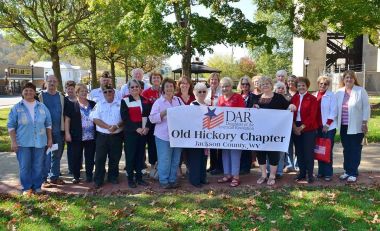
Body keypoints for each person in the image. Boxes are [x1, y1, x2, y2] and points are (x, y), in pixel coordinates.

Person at [8, 83, 52, 194]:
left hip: (40, 142)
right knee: (25, 166)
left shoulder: (42, 107)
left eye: (31, 90)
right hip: (22, 143)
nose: (28, 92)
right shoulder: (17, 108)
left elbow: (48, 124)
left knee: (38, 165)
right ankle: (27, 188)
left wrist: (50, 139)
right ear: (22, 92)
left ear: (34, 92)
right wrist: (13, 142)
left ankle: (37, 186)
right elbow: (11, 126)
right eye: (26, 90)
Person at [249, 76, 291, 185]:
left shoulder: (279, 97)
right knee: (261, 154)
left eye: (267, 83)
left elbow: (288, 106)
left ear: (271, 85)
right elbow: (249, 113)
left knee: (273, 154)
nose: (265, 86)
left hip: (275, 133)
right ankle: (263, 175)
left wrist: (292, 106)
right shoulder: (256, 98)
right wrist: (254, 108)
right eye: (263, 84)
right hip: (259, 133)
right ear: (260, 87)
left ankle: (272, 176)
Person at [336, 70, 370, 183]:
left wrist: (365, 122)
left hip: (357, 126)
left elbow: (366, 107)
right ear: (343, 79)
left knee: (355, 149)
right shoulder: (339, 92)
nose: (349, 79)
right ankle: (347, 171)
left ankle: (353, 172)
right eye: (346, 77)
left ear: (354, 79)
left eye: (351, 77)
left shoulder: (360, 91)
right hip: (344, 126)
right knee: (347, 149)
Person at [149, 78, 183, 189]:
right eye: (167, 86)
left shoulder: (178, 100)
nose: (169, 88)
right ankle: (163, 180)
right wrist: (164, 113)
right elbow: (152, 119)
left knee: (175, 159)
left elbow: (186, 112)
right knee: (165, 159)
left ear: (174, 88)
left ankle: (172, 179)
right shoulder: (158, 102)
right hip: (163, 136)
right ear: (163, 88)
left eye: (171, 86)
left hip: (177, 136)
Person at [90, 84, 123, 188]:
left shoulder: (121, 103)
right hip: (102, 136)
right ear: (103, 93)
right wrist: (108, 127)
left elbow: (125, 118)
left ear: (113, 92)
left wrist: (116, 126)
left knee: (115, 158)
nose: (108, 93)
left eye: (110, 91)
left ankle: (113, 177)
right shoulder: (99, 104)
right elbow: (95, 118)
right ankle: (98, 179)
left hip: (116, 136)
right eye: (105, 92)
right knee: (100, 158)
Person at [120, 79, 152, 188]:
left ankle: (139, 178)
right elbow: (125, 118)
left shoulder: (146, 100)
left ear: (140, 88)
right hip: (131, 133)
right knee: (130, 156)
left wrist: (147, 127)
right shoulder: (125, 100)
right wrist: (136, 128)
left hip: (143, 133)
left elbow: (150, 116)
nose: (134, 89)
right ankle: (130, 179)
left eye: (136, 87)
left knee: (140, 156)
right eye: (132, 87)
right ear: (129, 89)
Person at [64, 83, 96, 184]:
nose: (84, 93)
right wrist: (67, 133)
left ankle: (89, 175)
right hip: (76, 135)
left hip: (91, 136)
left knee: (90, 157)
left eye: (86, 91)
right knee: (76, 156)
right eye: (81, 91)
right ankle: (76, 176)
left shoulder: (92, 104)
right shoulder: (72, 105)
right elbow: (67, 120)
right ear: (77, 93)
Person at [217, 77, 245, 187]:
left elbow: (243, 113)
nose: (225, 88)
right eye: (223, 86)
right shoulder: (220, 99)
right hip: (224, 131)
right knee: (225, 153)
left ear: (231, 86)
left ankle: (236, 176)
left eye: (227, 86)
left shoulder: (238, 97)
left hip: (236, 131)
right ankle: (227, 174)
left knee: (235, 152)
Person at [38, 75, 66, 187]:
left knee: (57, 155)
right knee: (45, 155)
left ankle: (54, 177)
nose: (52, 83)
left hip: (58, 131)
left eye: (54, 81)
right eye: (50, 81)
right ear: (45, 82)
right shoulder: (40, 96)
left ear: (58, 83)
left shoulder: (61, 96)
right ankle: (44, 179)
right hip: (44, 132)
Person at [291, 77, 318, 184]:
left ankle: (310, 175)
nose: (301, 87)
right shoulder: (294, 98)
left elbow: (312, 116)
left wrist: (301, 128)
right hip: (295, 127)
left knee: (308, 152)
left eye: (303, 85)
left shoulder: (312, 99)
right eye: (299, 85)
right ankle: (302, 173)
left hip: (308, 128)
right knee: (299, 152)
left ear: (307, 86)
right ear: (296, 87)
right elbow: (290, 113)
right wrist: (294, 127)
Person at [313, 76, 337, 182]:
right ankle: (321, 172)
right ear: (318, 84)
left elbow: (334, 111)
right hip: (317, 127)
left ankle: (328, 173)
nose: (323, 85)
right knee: (319, 149)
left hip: (328, 127)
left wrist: (327, 124)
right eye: (321, 83)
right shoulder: (314, 95)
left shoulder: (331, 95)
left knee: (327, 150)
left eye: (325, 84)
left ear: (328, 85)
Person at [187, 83, 209, 187]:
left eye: (204, 91)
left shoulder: (208, 105)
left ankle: (202, 178)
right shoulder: (193, 105)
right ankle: (195, 180)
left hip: (205, 137)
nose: (202, 93)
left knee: (203, 158)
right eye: (199, 91)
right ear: (195, 92)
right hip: (195, 137)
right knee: (195, 159)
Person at [141, 71, 162, 168]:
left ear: (161, 79)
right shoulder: (145, 93)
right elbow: (145, 110)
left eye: (158, 77)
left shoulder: (165, 91)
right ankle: (153, 165)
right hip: (151, 122)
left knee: (162, 145)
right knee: (152, 145)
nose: (156, 79)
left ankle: (162, 165)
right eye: (154, 78)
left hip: (163, 122)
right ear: (151, 80)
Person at [205, 72, 223, 175]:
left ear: (218, 81)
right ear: (209, 81)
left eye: (216, 79)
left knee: (219, 144)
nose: (213, 81)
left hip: (219, 120)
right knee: (211, 144)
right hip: (208, 120)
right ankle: (212, 165)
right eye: (212, 79)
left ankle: (219, 167)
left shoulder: (221, 92)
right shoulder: (206, 91)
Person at [237, 76, 254, 174]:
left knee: (246, 147)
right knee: (239, 146)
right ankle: (238, 166)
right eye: (243, 84)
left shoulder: (253, 96)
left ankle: (246, 167)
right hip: (238, 125)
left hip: (248, 125)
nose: (244, 86)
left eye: (247, 84)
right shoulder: (236, 96)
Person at [284, 74, 298, 173]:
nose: (290, 83)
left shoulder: (299, 93)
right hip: (286, 123)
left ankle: (297, 164)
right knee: (288, 145)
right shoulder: (284, 94)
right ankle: (289, 164)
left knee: (297, 144)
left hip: (297, 122)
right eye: (289, 81)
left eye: (292, 81)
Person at [64, 80, 77, 175]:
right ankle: (71, 168)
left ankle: (78, 165)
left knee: (79, 149)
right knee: (71, 150)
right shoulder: (64, 100)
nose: (70, 90)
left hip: (79, 128)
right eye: (68, 89)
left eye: (72, 89)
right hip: (68, 128)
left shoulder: (79, 100)